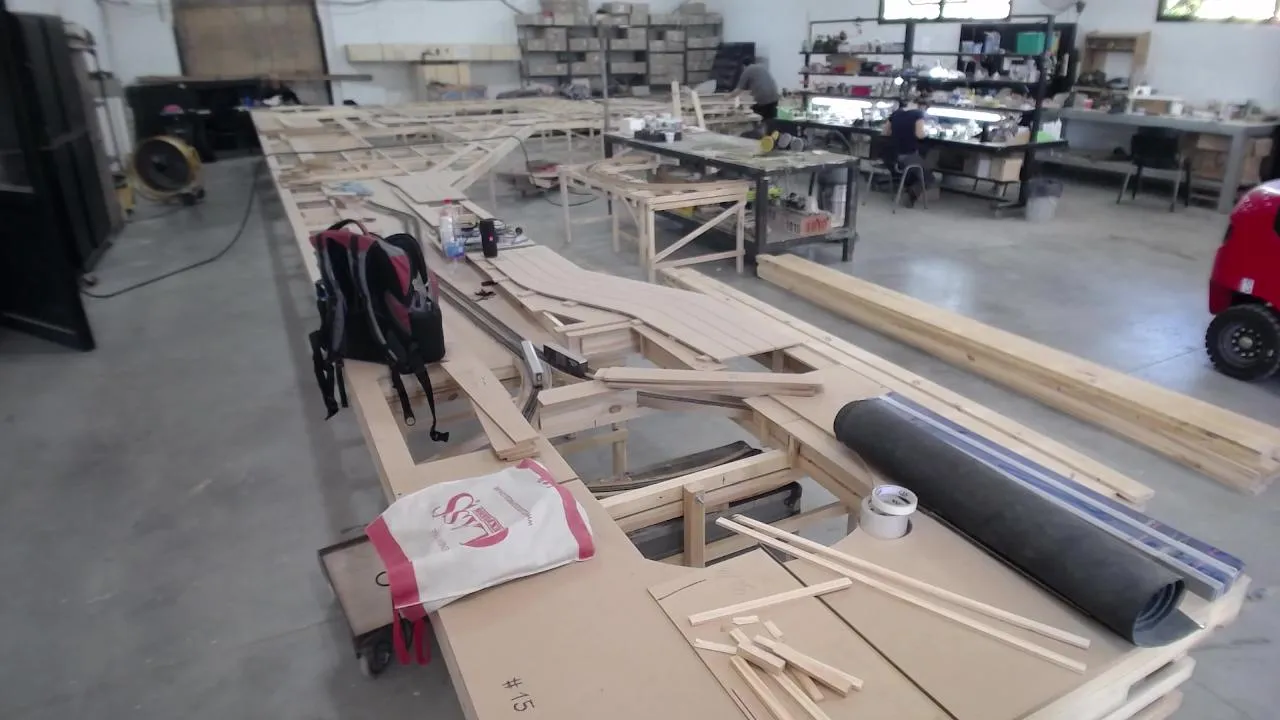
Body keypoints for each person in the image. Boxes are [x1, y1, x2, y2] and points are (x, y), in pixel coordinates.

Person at [882, 98, 936, 206]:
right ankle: (911, 193)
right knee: (929, 178)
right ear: (922, 106)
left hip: (891, 157)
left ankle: (906, 188)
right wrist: (928, 132)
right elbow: (920, 135)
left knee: (914, 170)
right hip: (907, 156)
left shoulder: (895, 113)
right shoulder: (918, 114)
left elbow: (885, 132)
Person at [730, 57, 779, 124]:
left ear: (744, 66)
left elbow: (738, 89)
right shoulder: (761, 68)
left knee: (754, 114)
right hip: (775, 97)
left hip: (764, 100)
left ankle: (759, 127)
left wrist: (728, 97)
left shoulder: (747, 70)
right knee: (771, 119)